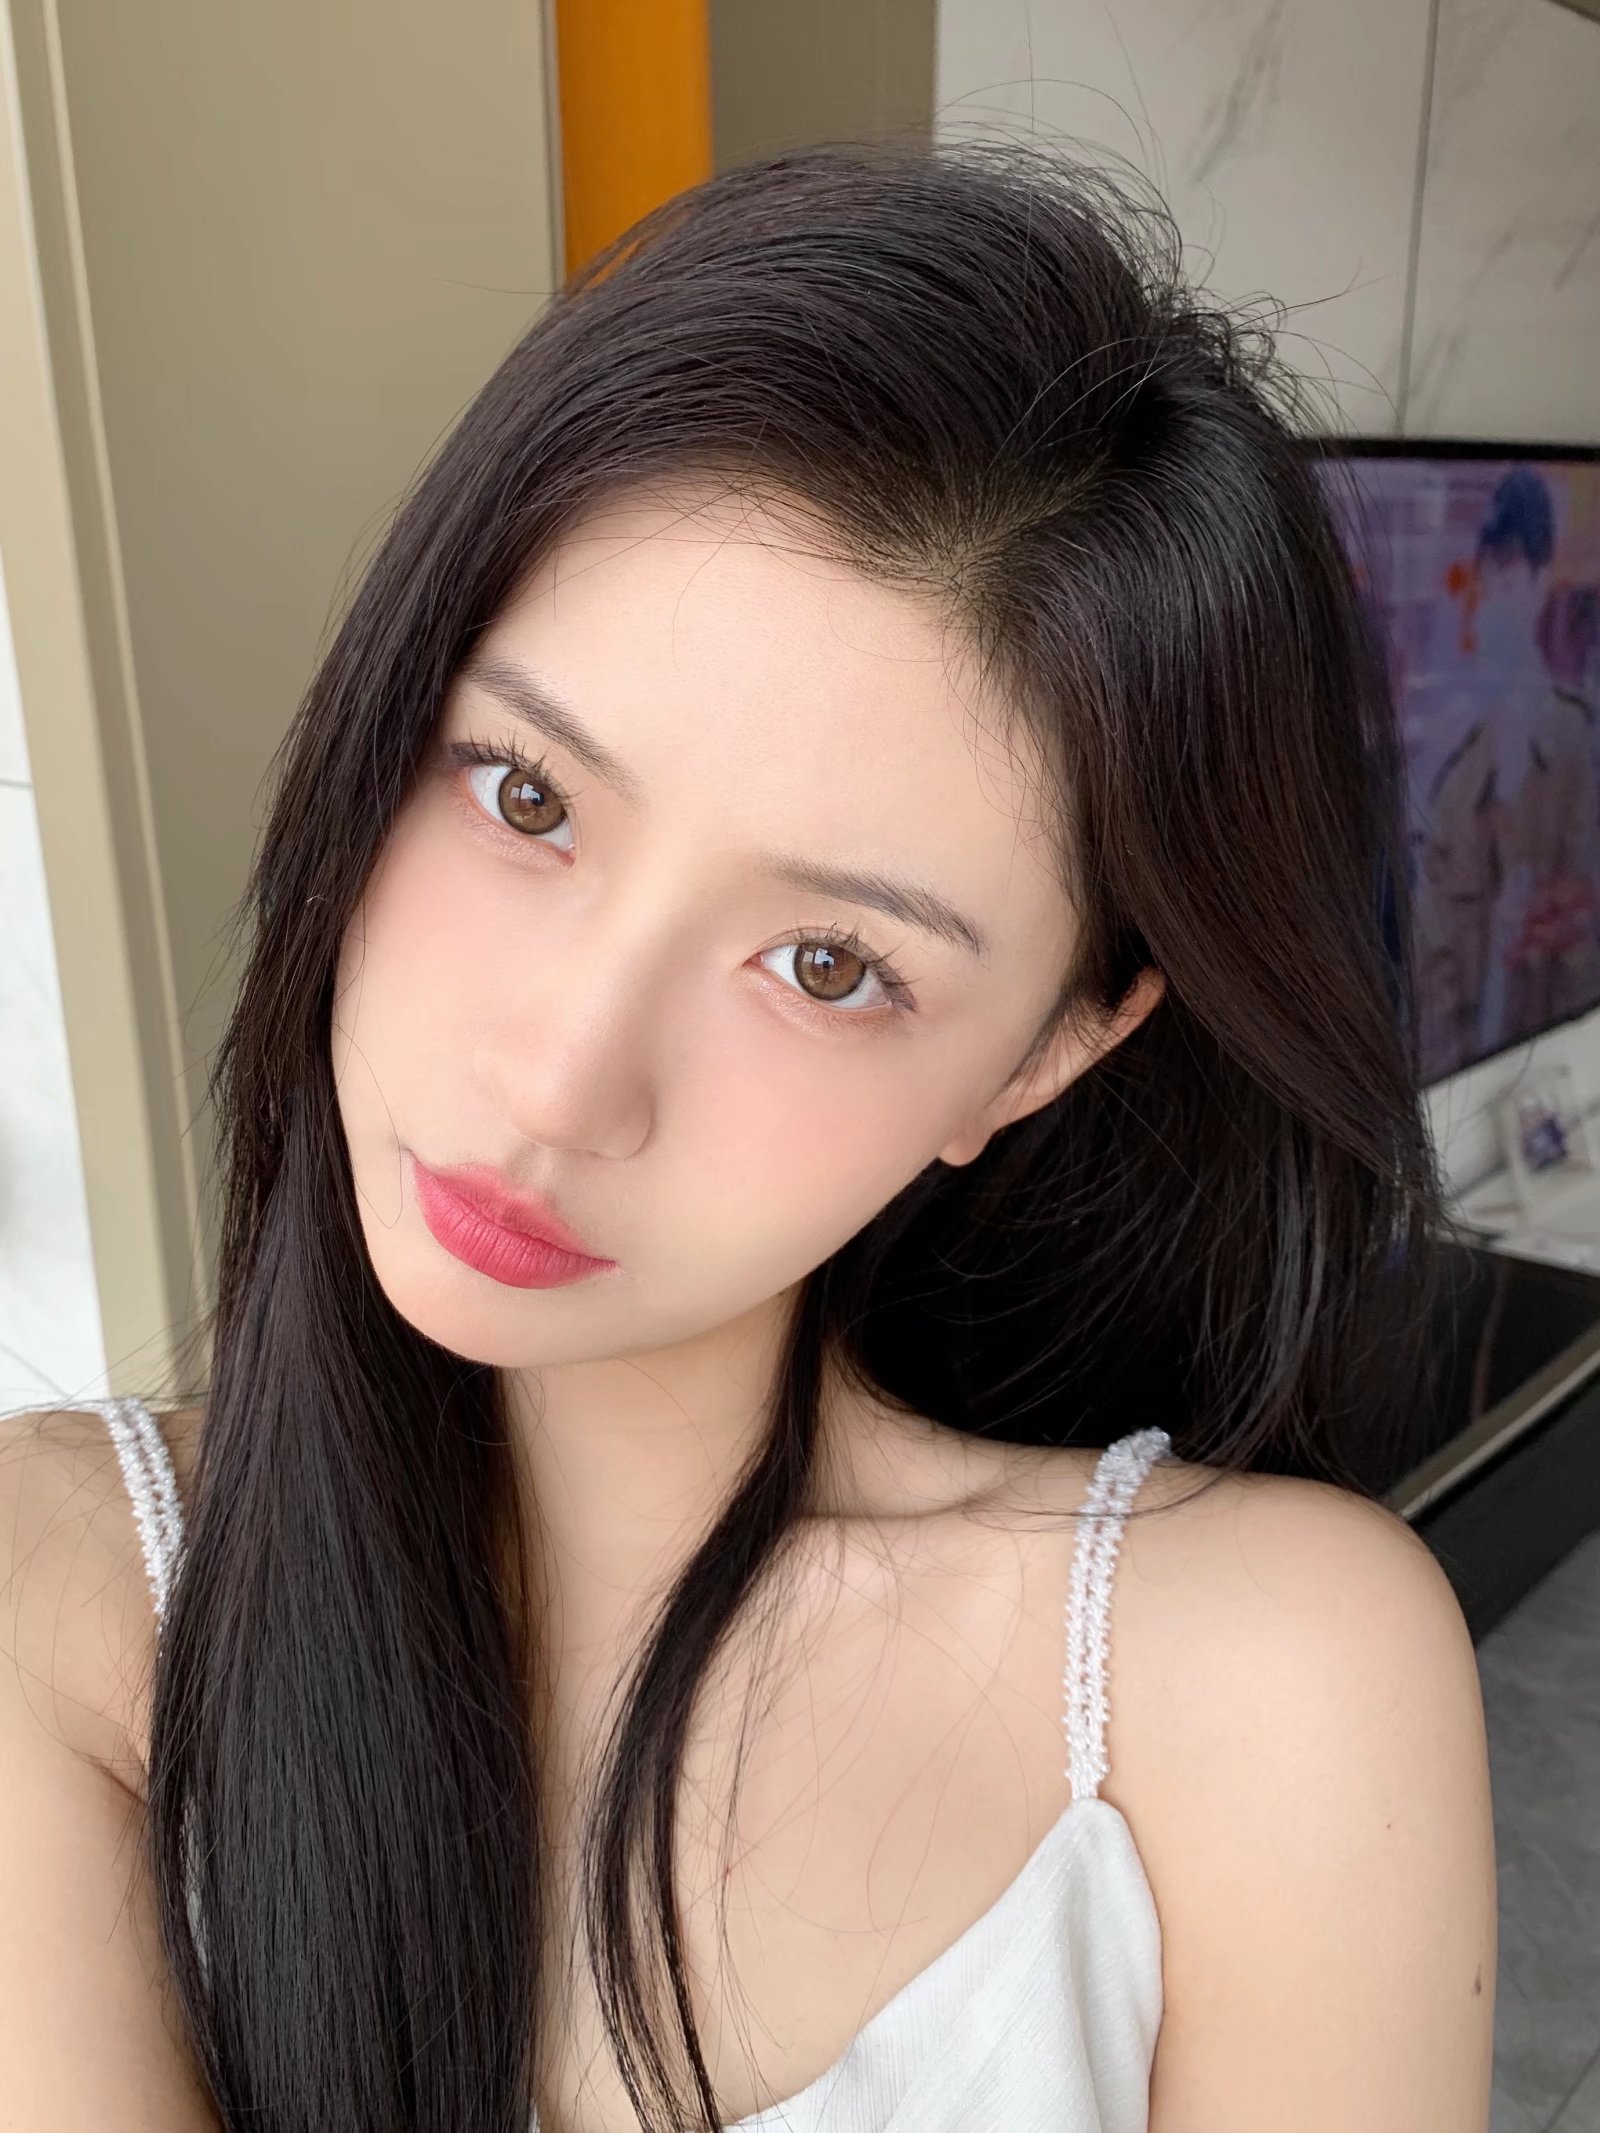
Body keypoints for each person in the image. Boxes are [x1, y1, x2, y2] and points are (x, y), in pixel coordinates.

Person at [0, 140, 1495, 2132]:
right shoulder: (64, 1602)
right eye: (525, 796)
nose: (560, 1080)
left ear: (1042, 1054)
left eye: (825, 961)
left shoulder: (1251, 1684)